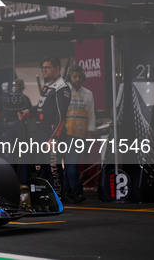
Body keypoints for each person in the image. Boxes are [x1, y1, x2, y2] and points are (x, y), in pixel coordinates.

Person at [19, 57, 71, 186]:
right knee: (40, 168)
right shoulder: (47, 85)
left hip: (52, 134)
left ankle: (58, 198)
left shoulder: (62, 87)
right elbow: (42, 107)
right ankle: (42, 199)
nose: (44, 70)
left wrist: (54, 137)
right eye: (43, 68)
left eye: (47, 67)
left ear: (57, 68)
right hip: (41, 134)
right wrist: (28, 112)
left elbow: (60, 116)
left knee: (53, 169)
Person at [62, 65, 95, 203]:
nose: (77, 79)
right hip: (66, 132)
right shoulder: (64, 92)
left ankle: (67, 192)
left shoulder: (88, 93)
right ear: (70, 77)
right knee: (72, 163)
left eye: (80, 77)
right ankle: (75, 190)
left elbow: (91, 114)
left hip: (81, 132)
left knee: (71, 164)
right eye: (75, 76)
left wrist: (89, 132)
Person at [0, 78, 32, 183]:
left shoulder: (4, 98)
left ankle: (13, 183)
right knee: (25, 156)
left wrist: (6, 119)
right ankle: (26, 182)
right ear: (22, 87)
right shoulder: (25, 99)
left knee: (11, 157)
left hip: (9, 129)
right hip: (22, 129)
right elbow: (30, 114)